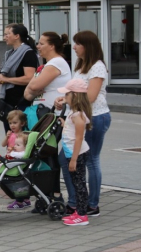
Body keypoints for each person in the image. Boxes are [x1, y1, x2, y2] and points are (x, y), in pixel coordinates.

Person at [55, 31, 111, 217]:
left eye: (78, 44)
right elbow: (75, 92)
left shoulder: (97, 67)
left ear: (87, 46)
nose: (74, 47)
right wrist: (64, 99)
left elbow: (92, 96)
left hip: (95, 116)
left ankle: (91, 204)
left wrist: (69, 100)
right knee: (66, 158)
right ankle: (76, 201)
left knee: (91, 159)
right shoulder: (80, 66)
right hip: (78, 116)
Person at [23, 32, 71, 212]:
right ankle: (46, 194)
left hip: (54, 114)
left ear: (51, 46)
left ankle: (55, 194)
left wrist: (34, 85)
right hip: (43, 114)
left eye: (41, 43)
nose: (38, 46)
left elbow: (33, 87)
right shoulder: (46, 65)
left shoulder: (56, 62)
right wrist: (34, 85)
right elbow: (27, 93)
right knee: (43, 151)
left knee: (48, 150)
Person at [57, 79, 92, 226]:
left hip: (76, 154)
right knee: (76, 182)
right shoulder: (73, 113)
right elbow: (72, 132)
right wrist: (65, 124)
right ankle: (79, 211)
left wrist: (73, 160)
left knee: (79, 184)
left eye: (67, 94)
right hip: (72, 153)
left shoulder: (78, 115)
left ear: (75, 96)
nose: (65, 97)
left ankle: (82, 215)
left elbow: (78, 138)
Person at [0, 24, 39, 131]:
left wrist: (6, 80)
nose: (5, 37)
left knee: (20, 139)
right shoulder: (9, 54)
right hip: (8, 101)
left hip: (21, 102)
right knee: (10, 138)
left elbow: (29, 78)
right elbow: (3, 73)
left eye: (7, 34)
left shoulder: (28, 53)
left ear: (17, 36)